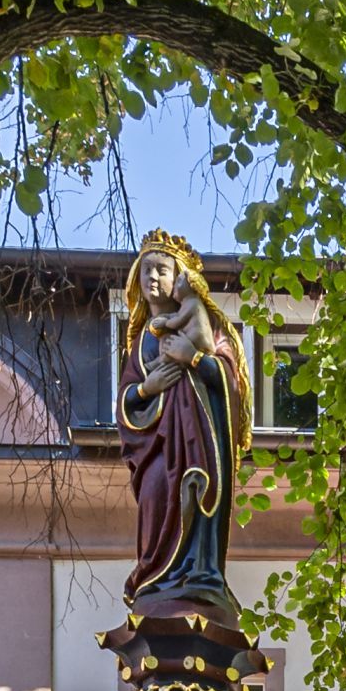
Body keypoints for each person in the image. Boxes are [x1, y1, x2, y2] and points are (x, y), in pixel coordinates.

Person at [120, 235, 251, 614]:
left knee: (197, 492)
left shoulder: (204, 321)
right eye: (146, 270)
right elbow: (126, 399)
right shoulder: (141, 340)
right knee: (157, 492)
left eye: (162, 270)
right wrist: (148, 388)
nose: (153, 278)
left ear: (181, 277)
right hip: (158, 448)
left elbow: (230, 381)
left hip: (199, 442)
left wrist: (193, 357)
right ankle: (157, 576)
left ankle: (200, 572)